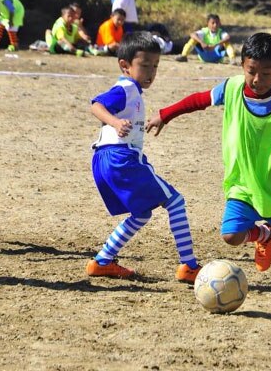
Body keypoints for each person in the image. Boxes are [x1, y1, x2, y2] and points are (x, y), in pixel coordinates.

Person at [147, 33, 271, 303]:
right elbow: (198, 100)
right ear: (242, 66)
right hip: (243, 185)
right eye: (252, 71)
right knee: (231, 235)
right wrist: (165, 114)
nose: (258, 79)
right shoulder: (232, 89)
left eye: (267, 73)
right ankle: (264, 233)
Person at [85, 31, 202, 283]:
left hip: (106, 158)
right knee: (176, 202)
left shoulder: (132, 91)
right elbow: (96, 104)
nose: (151, 72)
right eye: (145, 65)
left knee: (141, 214)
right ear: (125, 66)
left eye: (155, 66)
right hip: (121, 158)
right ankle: (189, 266)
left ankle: (103, 261)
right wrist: (116, 122)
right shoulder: (126, 88)